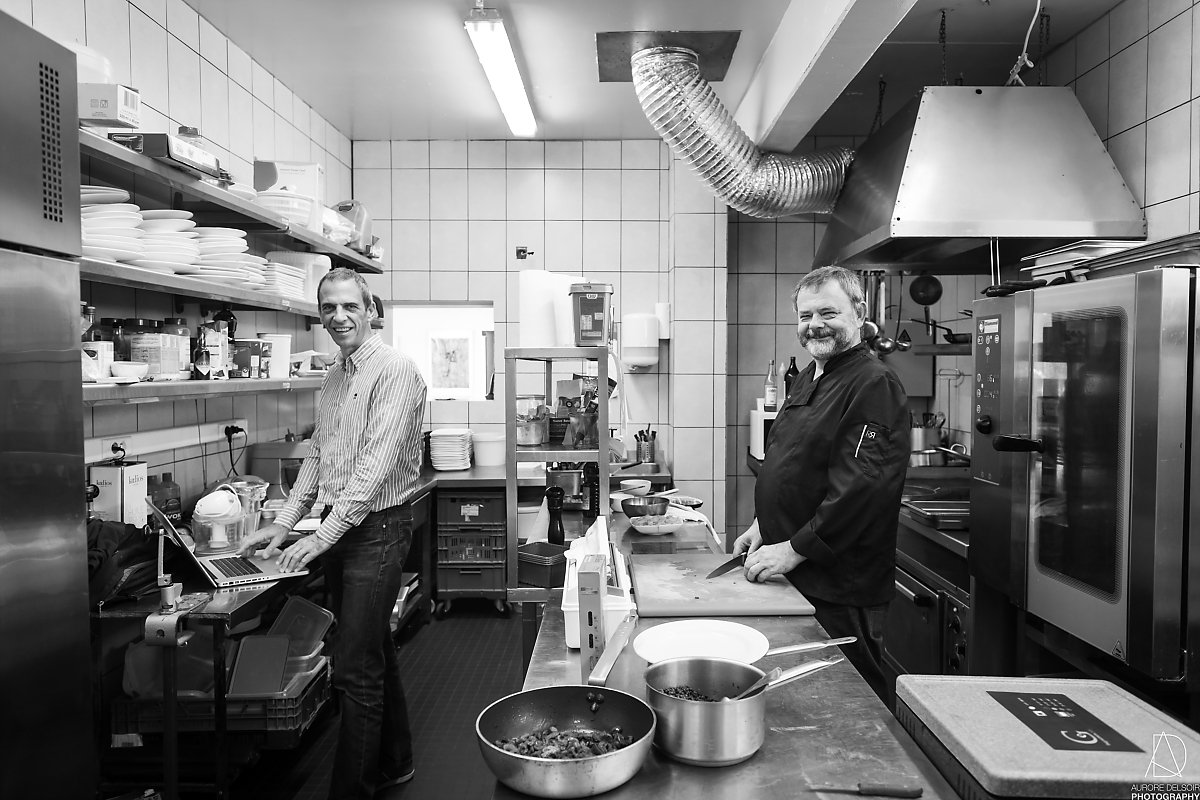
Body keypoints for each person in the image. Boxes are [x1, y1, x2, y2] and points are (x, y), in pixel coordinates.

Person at [239, 267, 427, 798]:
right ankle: (396, 761)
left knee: (353, 668)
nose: (338, 317)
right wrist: (284, 521)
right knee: (372, 651)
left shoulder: (395, 370)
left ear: (371, 310)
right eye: (328, 308)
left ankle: (352, 790)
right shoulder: (335, 376)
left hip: (377, 530)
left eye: (349, 306)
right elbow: (320, 455)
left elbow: (375, 465)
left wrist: (323, 536)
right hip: (344, 531)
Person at [733, 265, 909, 703]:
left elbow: (861, 487)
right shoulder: (814, 375)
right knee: (805, 698)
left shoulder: (873, 383)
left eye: (828, 313)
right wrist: (763, 524)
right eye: (805, 315)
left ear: (859, 312)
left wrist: (793, 548)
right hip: (800, 576)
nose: (815, 325)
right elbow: (792, 461)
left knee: (850, 702)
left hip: (839, 587)